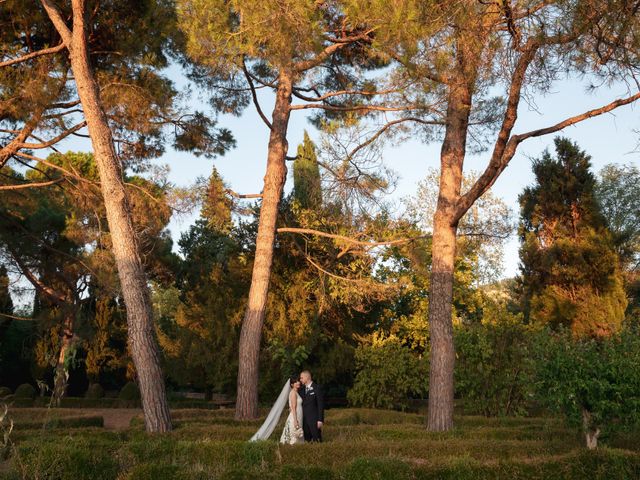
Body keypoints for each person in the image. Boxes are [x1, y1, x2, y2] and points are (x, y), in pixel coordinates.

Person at [299, 370, 324, 442]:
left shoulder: (317, 388)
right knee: (307, 440)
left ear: (307, 377)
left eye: (302, 378)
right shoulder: (301, 390)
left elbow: (320, 405)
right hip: (304, 420)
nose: (300, 380)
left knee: (317, 440)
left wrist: (320, 420)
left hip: (314, 420)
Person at [279, 376, 304, 445]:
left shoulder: (297, 392)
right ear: (292, 384)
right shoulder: (293, 393)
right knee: (294, 436)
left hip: (299, 415)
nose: (298, 382)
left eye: (298, 381)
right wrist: (295, 420)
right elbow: (293, 408)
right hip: (295, 417)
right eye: (296, 382)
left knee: (298, 434)